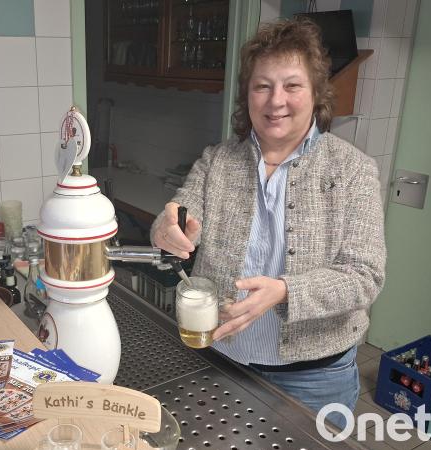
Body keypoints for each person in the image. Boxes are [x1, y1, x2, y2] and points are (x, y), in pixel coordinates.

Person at [151, 18, 386, 429]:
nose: (276, 100)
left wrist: (285, 291)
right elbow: (179, 211)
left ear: (316, 93)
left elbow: (364, 276)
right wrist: (165, 228)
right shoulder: (218, 160)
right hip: (219, 357)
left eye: (292, 85)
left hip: (314, 377)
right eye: (262, 86)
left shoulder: (352, 170)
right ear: (248, 95)